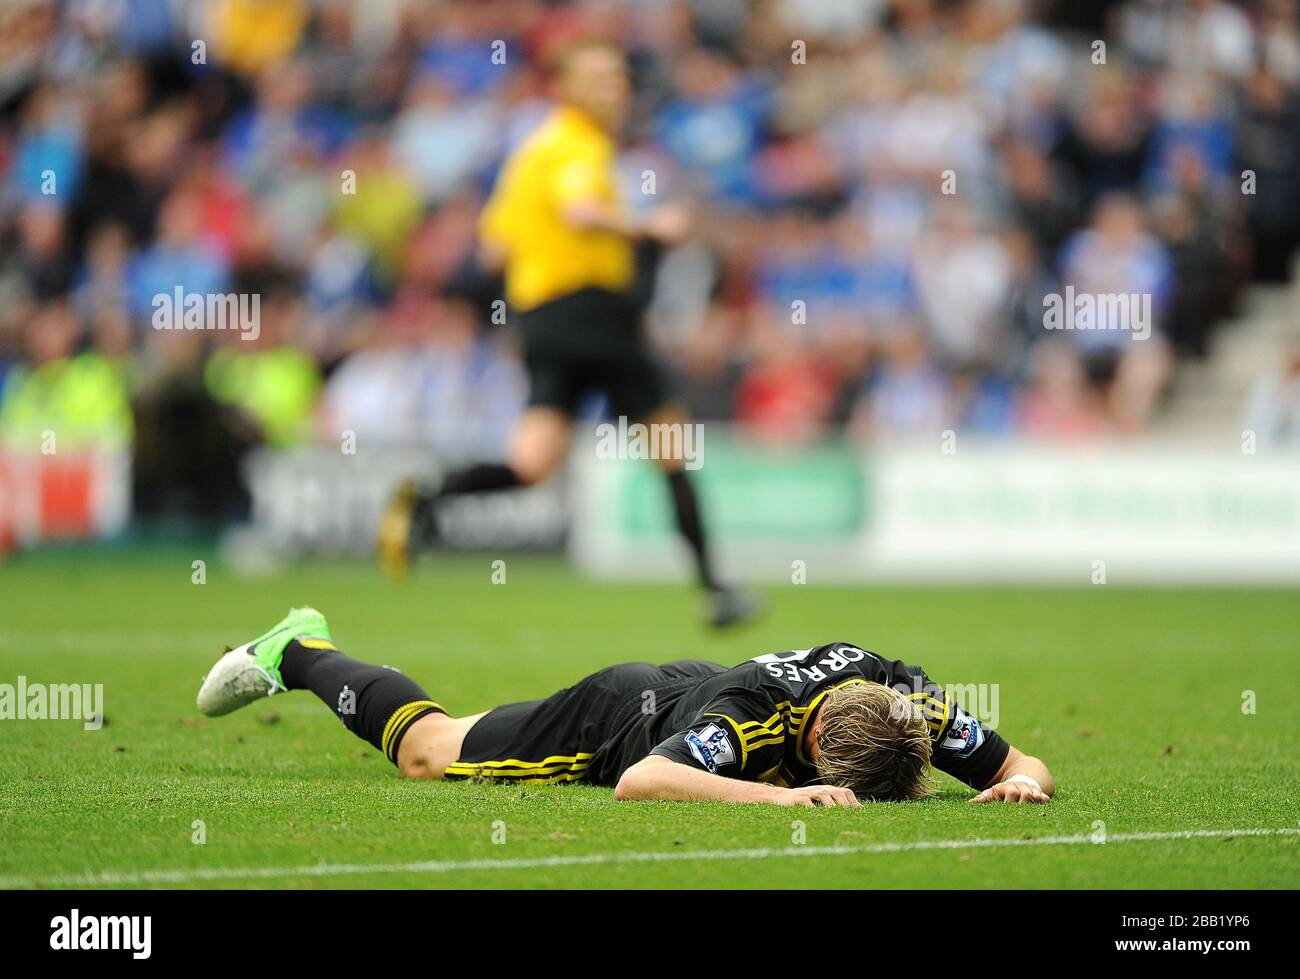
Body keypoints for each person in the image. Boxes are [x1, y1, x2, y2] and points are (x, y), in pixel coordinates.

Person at [376, 40, 757, 627]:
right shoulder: (576, 144)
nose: (616, 89)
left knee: (532, 462)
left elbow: (493, 244)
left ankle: (428, 495)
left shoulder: (528, 155)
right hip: (594, 315)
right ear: (568, 89)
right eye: (600, 78)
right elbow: (580, 210)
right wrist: (649, 225)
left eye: (619, 77)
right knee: (672, 446)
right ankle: (716, 588)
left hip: (544, 321)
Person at [196, 607, 1055, 807]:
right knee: (429, 749)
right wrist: (781, 794)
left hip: (688, 680)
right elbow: (642, 782)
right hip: (620, 719)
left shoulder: (910, 702)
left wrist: (1023, 783)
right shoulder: (749, 724)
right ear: (819, 734)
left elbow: (1021, 764)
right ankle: (298, 651)